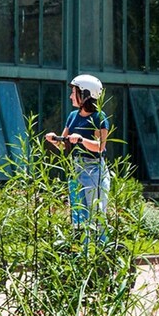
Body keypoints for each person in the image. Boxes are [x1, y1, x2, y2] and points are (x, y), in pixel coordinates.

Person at [45, 74, 110, 237]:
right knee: (78, 216)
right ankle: (82, 252)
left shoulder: (99, 118)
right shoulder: (72, 116)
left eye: (73, 92)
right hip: (76, 169)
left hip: (94, 171)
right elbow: (63, 144)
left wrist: (81, 140)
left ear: (85, 94)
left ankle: (101, 251)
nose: (70, 96)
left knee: (96, 214)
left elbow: (100, 146)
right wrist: (54, 139)